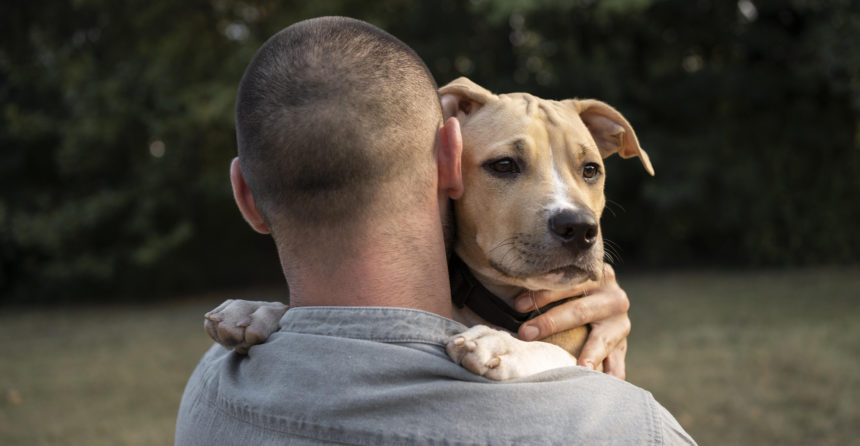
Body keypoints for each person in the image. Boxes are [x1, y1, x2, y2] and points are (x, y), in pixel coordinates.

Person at [175, 16, 695, 445]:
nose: (575, 213)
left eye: (589, 171)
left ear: (248, 196)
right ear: (450, 155)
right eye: (507, 167)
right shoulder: (630, 428)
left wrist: (549, 350)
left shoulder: (209, 387)